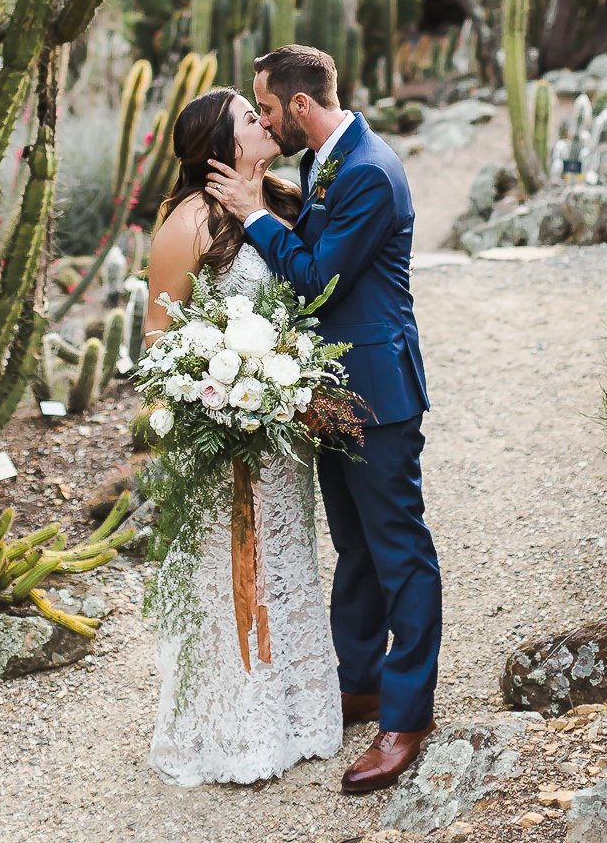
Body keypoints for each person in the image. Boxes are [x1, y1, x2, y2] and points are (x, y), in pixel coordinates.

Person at [207, 44, 443, 796]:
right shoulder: (323, 160)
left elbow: (315, 274)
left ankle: (408, 716)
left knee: (399, 550)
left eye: (267, 109)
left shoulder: (369, 171)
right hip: (333, 391)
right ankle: (362, 684)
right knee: (356, 548)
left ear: (300, 106)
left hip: (378, 390)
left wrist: (251, 216)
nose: (266, 123)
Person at [145, 87, 342, 787]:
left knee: (289, 567)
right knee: (231, 569)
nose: (264, 122)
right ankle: (235, 731)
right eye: (247, 118)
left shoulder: (286, 200)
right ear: (219, 146)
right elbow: (156, 343)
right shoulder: (191, 222)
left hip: (285, 436)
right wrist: (216, 401)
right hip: (226, 439)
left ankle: (298, 716)